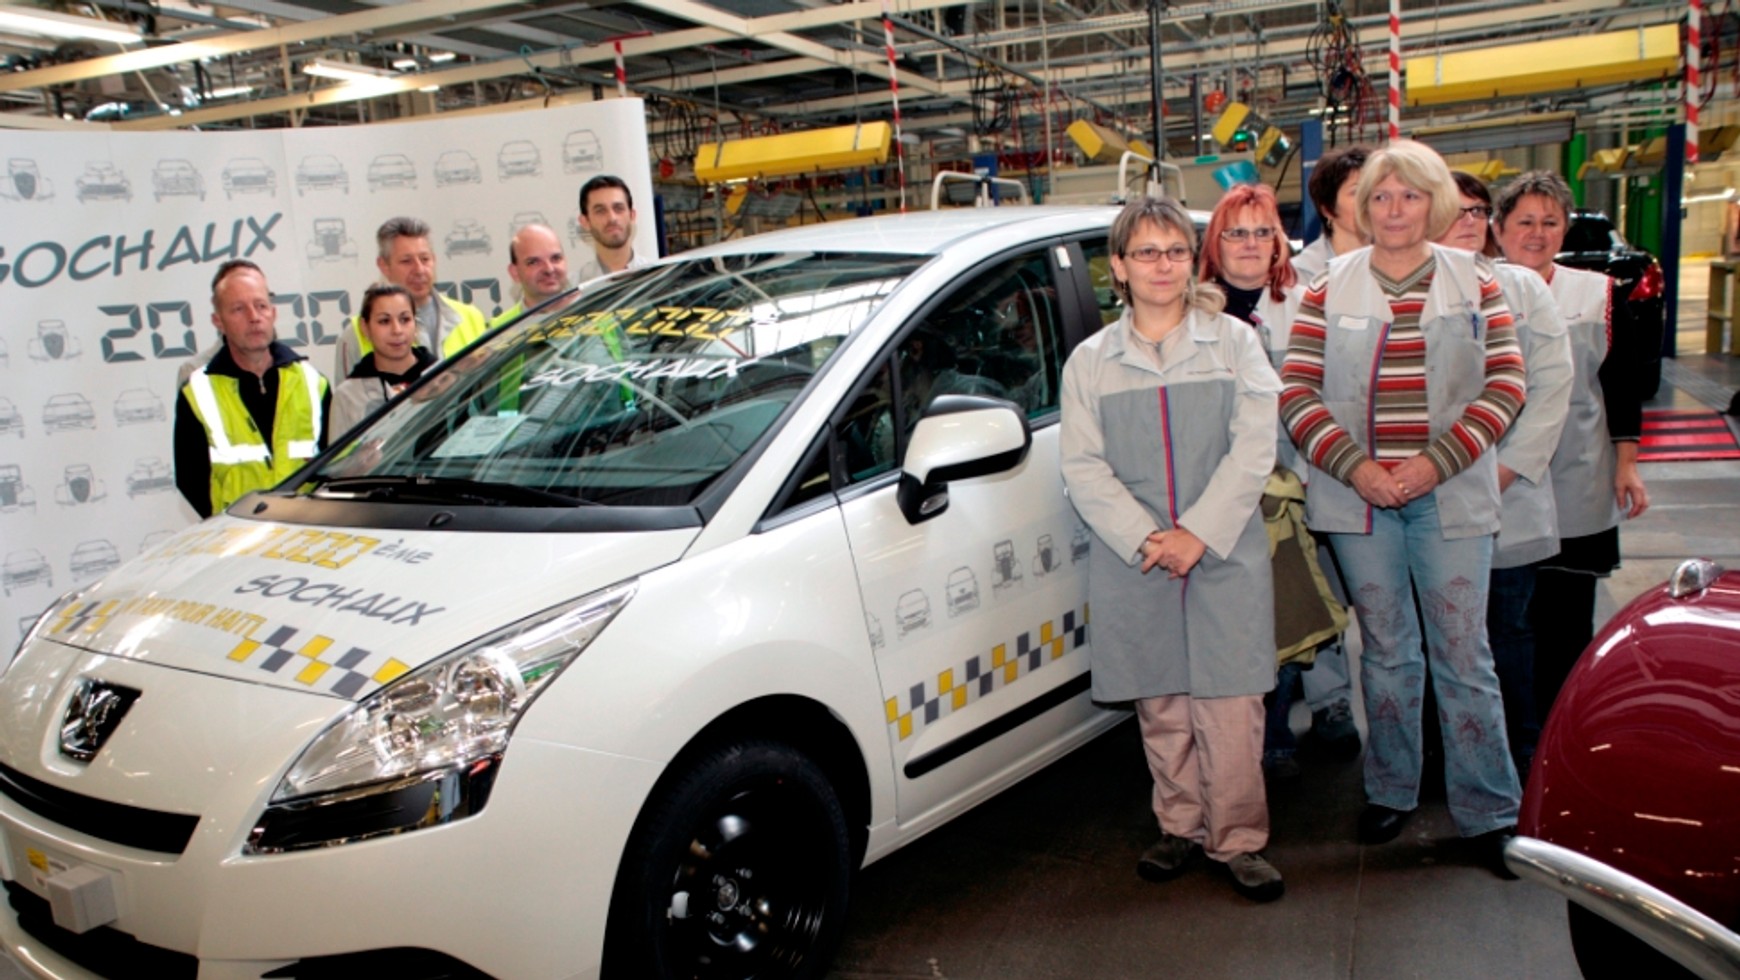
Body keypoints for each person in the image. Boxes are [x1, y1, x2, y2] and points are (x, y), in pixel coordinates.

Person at [1279, 140, 1526, 871]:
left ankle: (1490, 811)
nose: (1394, 210)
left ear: (1434, 204)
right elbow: (1296, 392)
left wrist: (1431, 464)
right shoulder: (1328, 288)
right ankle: (1391, 791)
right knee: (1387, 651)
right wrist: (1358, 469)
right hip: (1361, 502)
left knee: (1464, 655)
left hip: (1450, 494)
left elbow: (1507, 385)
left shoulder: (1475, 281)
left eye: (1410, 196)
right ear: (1362, 208)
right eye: (1381, 197)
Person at [1061, 196, 1285, 902]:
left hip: (1223, 549)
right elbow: (1082, 467)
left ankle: (1238, 840)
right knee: (1161, 702)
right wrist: (1146, 539)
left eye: (1177, 251)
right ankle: (1180, 826)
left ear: (1194, 261)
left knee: (1232, 702)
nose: (1163, 266)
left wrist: (1200, 533)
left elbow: (1255, 448)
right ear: (1119, 267)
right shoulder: (1090, 363)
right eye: (1147, 253)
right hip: (1139, 555)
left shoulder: (1234, 343)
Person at [1199, 183, 1356, 779]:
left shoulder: (1307, 303)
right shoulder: (1195, 312)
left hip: (1308, 476)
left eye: (1262, 231)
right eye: (1236, 232)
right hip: (1237, 489)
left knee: (1314, 594)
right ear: (1215, 243)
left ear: (1279, 243)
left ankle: (1328, 702)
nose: (1249, 243)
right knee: (1266, 609)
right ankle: (1270, 731)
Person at [1492, 171, 1649, 724]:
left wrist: (1627, 466)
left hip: (1577, 476)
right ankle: (1516, 728)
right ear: (1499, 228)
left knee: (1567, 615)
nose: (1536, 233)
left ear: (1564, 230)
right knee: (1506, 619)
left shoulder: (1597, 293)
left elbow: (1621, 386)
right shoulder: (1475, 291)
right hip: (1501, 482)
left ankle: (1563, 725)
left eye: (1550, 222)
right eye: (1524, 222)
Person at [1440, 171, 1574, 779]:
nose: (1469, 221)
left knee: (1507, 632)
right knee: (1440, 637)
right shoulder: (1405, 288)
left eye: (1477, 211)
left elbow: (1551, 387)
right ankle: (1442, 759)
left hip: (1506, 493)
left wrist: (1506, 470)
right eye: (1456, 210)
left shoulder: (1520, 286)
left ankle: (1522, 752)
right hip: (1432, 497)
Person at [175, 260, 330, 519]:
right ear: (218, 321)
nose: (254, 317)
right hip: (237, 533)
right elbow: (191, 481)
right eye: (239, 309)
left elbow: (332, 468)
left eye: (261, 306)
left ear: (273, 313)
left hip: (307, 531)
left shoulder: (313, 382)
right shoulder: (197, 392)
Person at [333, 217, 487, 378]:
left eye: (425, 259)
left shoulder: (471, 317)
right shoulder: (355, 334)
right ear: (384, 265)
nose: (419, 269)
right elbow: (347, 393)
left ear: (434, 260)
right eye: (406, 261)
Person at [329, 284, 437, 437]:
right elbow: (340, 452)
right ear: (365, 327)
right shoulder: (348, 396)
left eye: (405, 319)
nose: (397, 330)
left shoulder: (444, 378)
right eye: (384, 321)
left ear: (415, 323)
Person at [1293, 145, 1373, 283]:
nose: (1368, 200)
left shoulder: (1398, 260)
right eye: (1356, 192)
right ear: (1327, 209)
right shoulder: (1300, 274)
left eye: (1373, 191)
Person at [575, 175, 653, 284]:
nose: (612, 218)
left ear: (632, 216)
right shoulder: (575, 286)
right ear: (585, 222)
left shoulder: (657, 276)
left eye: (618, 208)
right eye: (600, 211)